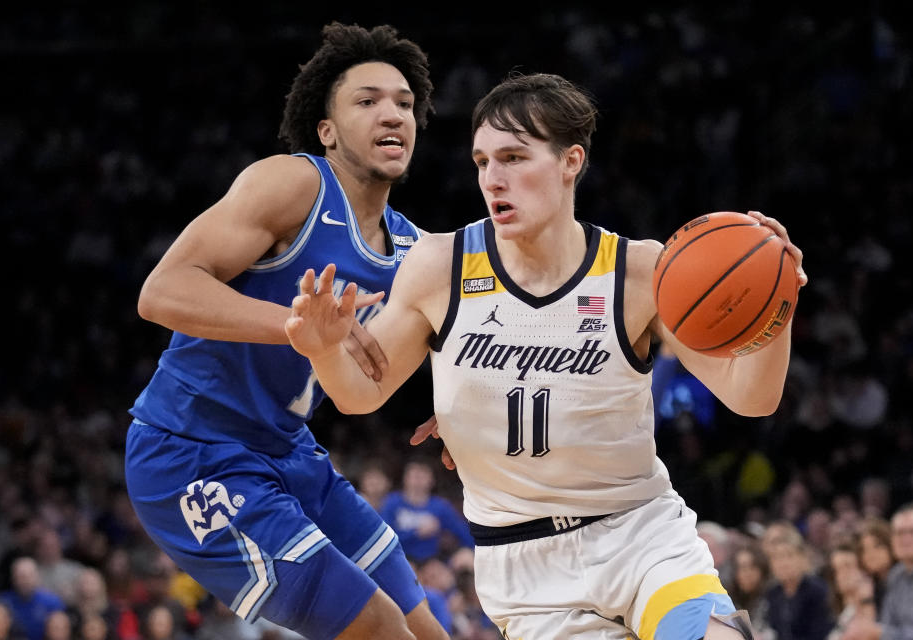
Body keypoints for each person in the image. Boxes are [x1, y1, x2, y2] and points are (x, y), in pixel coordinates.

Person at [284, 71, 808, 639]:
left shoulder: (636, 271)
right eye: (483, 162)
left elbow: (752, 398)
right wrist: (323, 350)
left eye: (513, 157)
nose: (493, 178)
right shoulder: (441, 267)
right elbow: (362, 393)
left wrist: (774, 310)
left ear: (570, 162)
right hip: (525, 565)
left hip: (641, 536)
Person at [123, 21, 448, 640]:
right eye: (368, 100)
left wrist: (463, 411)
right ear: (326, 131)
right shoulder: (294, 184)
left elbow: (453, 353)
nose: (394, 115)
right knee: (376, 626)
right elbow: (161, 291)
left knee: (422, 623)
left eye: (405, 104)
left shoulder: (416, 249)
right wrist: (301, 329)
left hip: (290, 452)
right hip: (189, 449)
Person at [841, 502, 913, 639]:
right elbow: (888, 624)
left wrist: (879, 632)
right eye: (899, 533)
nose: (905, 539)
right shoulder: (896, 575)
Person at [379, 459, 475, 563]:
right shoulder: (391, 502)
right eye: (414, 476)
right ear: (405, 478)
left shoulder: (440, 506)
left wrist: (457, 551)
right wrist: (416, 533)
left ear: (431, 480)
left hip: (432, 561)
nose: (418, 481)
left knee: (466, 557)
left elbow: (465, 534)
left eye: (423, 476)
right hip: (400, 559)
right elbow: (384, 539)